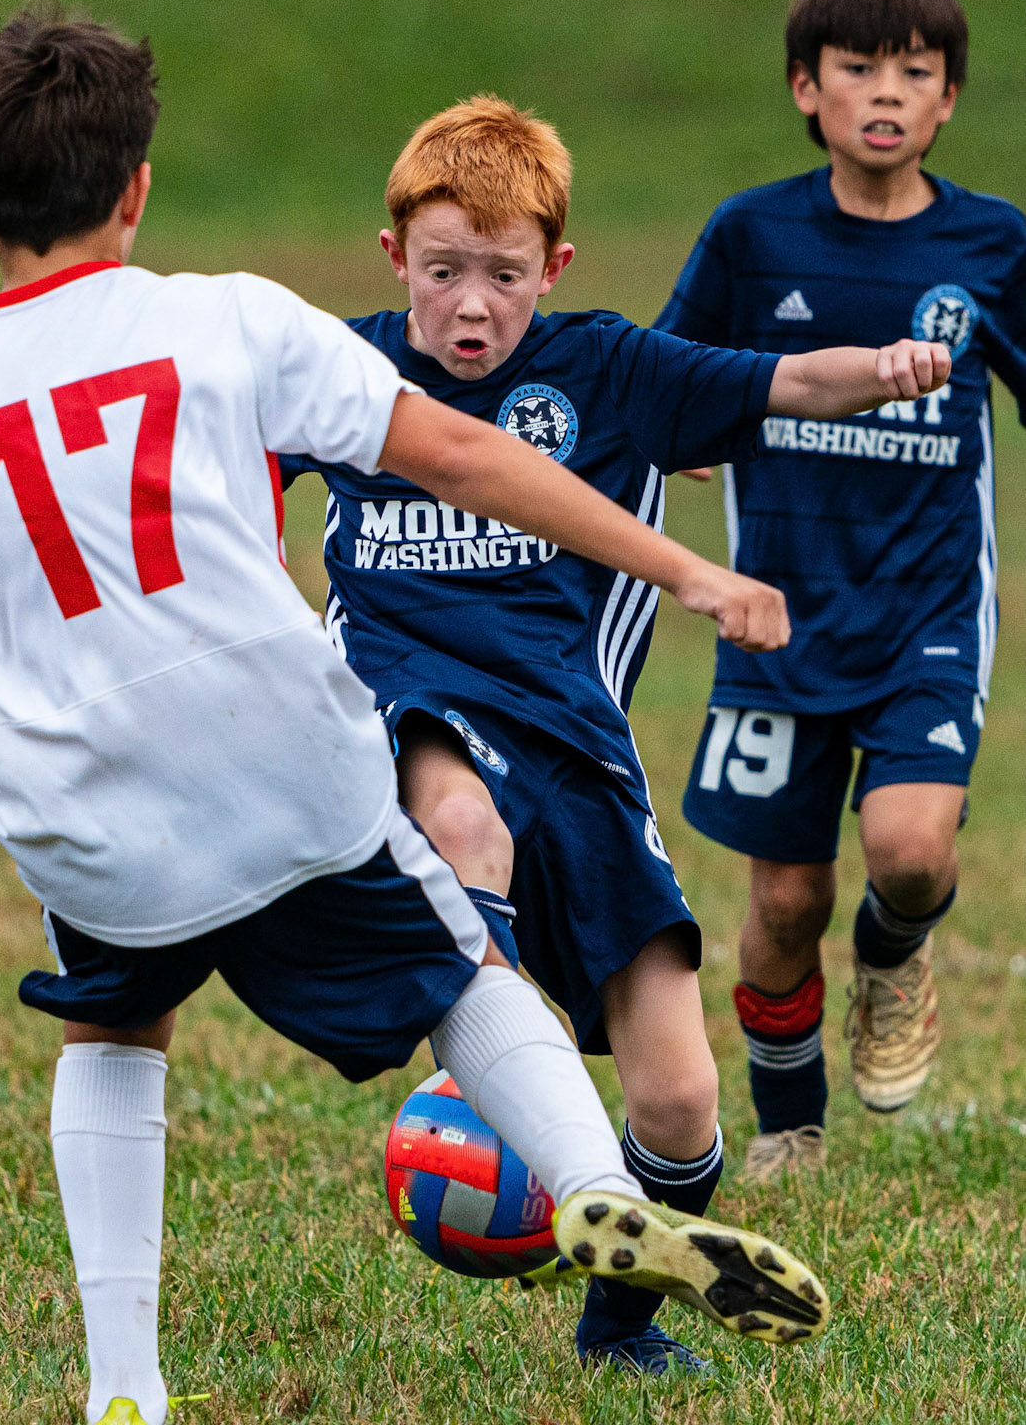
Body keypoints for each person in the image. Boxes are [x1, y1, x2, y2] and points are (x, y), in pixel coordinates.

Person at [0, 12, 835, 1425]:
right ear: (137, 186)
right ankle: (591, 1184)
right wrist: (688, 571)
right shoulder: (228, 315)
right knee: (460, 975)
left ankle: (125, 1388)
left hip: (89, 808)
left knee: (115, 1031)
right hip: (292, 766)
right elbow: (463, 454)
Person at [279, 92, 948, 1377]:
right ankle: (483, 1062)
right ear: (394, 256)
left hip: (573, 742)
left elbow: (783, 381)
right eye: (442, 271)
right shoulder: (345, 372)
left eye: (503, 275)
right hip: (403, 702)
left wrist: (888, 368)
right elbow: (206, 444)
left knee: (682, 1096)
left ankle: (619, 1321)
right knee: (460, 817)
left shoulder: (610, 369)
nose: (470, 305)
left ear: (554, 268)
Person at [656, 0, 1026, 1180]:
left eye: (913, 72)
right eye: (856, 68)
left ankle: (893, 950)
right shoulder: (749, 235)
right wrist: (681, 436)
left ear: (948, 98)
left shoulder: (992, 244)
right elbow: (671, 378)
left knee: (910, 851)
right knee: (781, 902)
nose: (885, 92)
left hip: (928, 611)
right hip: (777, 617)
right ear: (804, 88)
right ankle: (789, 1125)